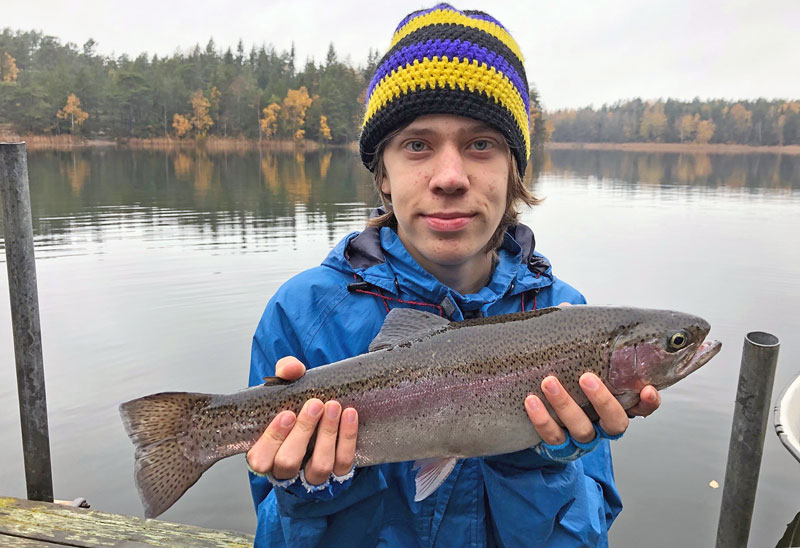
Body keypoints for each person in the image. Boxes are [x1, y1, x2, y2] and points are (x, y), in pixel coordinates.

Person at [246, 4, 661, 547]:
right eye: (417, 144)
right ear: (384, 174)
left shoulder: (565, 317)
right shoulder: (303, 314)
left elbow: (585, 537)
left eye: (480, 145)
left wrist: (533, 461)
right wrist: (311, 490)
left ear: (513, 169)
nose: (449, 177)